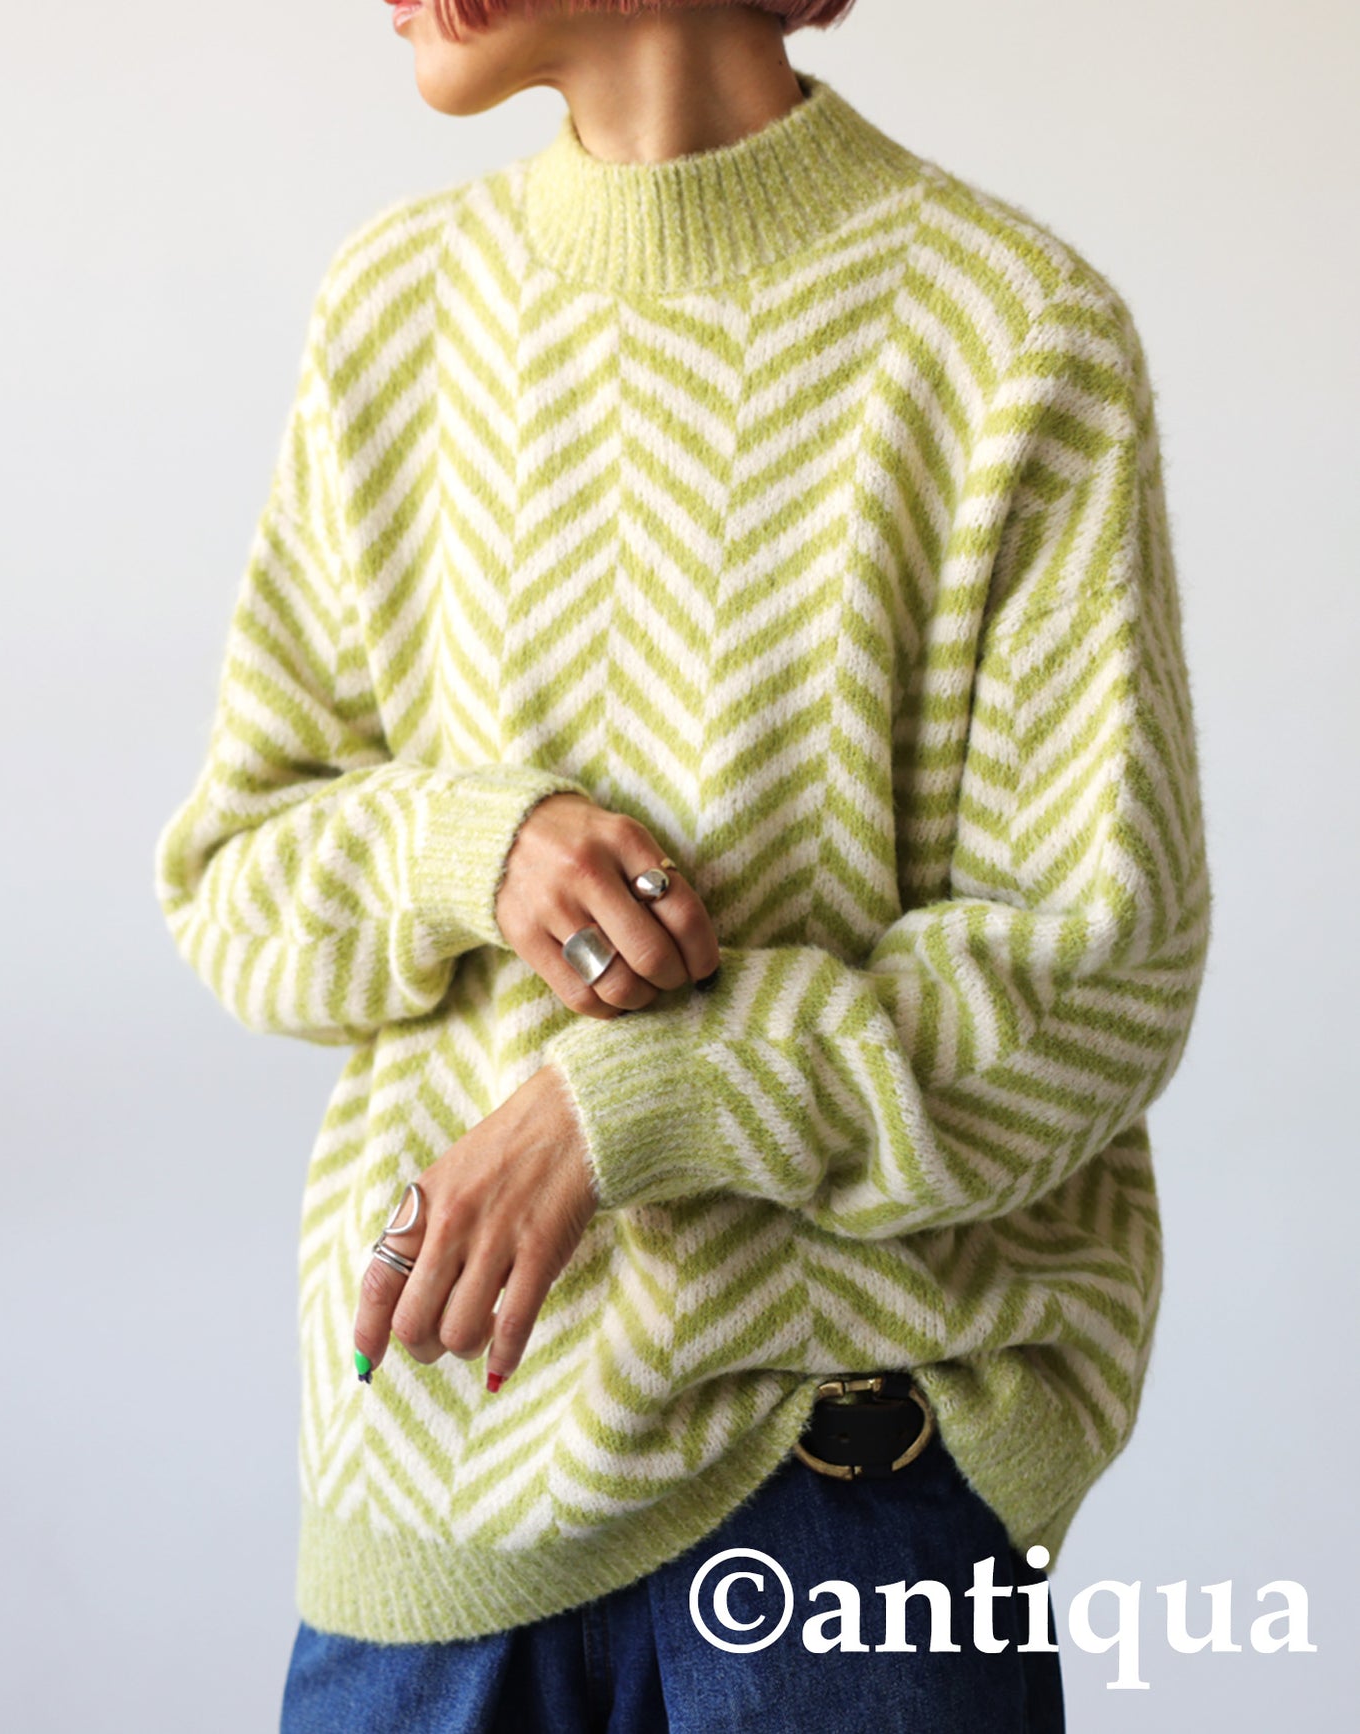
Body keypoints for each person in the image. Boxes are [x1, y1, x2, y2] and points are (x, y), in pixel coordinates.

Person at [152, 0, 1212, 1727]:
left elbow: (1099, 974)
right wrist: (470, 842)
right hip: (440, 1476)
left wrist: (630, 1099)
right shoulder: (395, 309)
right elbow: (232, 872)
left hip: (848, 1494)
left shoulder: (1011, 333)